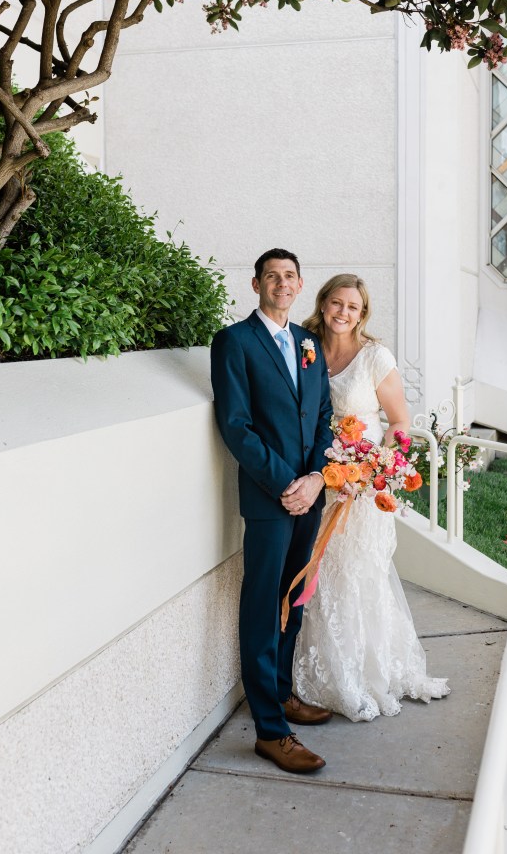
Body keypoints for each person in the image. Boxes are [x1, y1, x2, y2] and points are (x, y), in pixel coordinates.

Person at [293, 273, 450, 721]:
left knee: (358, 574)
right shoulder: (304, 348)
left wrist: (376, 468)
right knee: (318, 574)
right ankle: (324, 670)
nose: (343, 313)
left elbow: (400, 422)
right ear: (323, 303)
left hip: (361, 488)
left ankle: (366, 673)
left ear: (362, 314)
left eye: (353, 307)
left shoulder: (375, 357)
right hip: (316, 479)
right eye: (337, 303)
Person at [210, 248, 334, 774]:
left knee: (293, 599)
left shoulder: (308, 342)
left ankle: (282, 692)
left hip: (310, 492)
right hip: (270, 498)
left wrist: (317, 478)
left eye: (290, 276)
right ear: (256, 284)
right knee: (263, 607)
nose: (282, 283)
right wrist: (288, 483)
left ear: (300, 284)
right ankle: (270, 730)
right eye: (272, 276)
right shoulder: (234, 341)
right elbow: (236, 425)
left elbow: (324, 415)